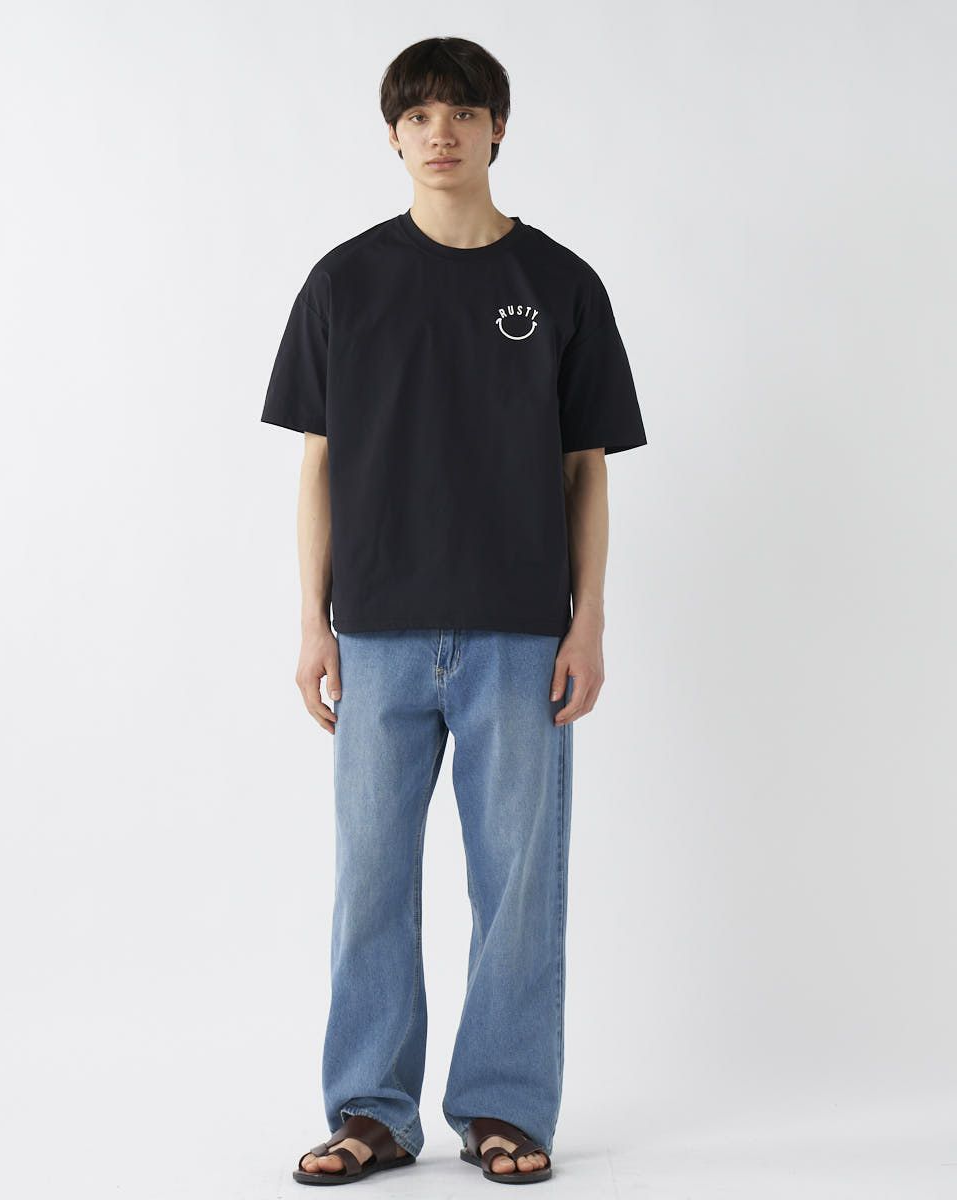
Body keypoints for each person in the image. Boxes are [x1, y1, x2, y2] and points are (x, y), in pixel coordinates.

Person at [261, 36, 647, 1187]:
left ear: (496, 131)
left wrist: (588, 621)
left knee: (517, 889)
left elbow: (585, 467)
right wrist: (311, 621)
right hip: (376, 633)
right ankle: (371, 1111)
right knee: (370, 884)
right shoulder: (344, 282)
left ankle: (504, 1107)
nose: (441, 131)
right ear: (393, 136)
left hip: (520, 634)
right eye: (419, 114)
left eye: (462, 112)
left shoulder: (560, 284)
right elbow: (318, 463)